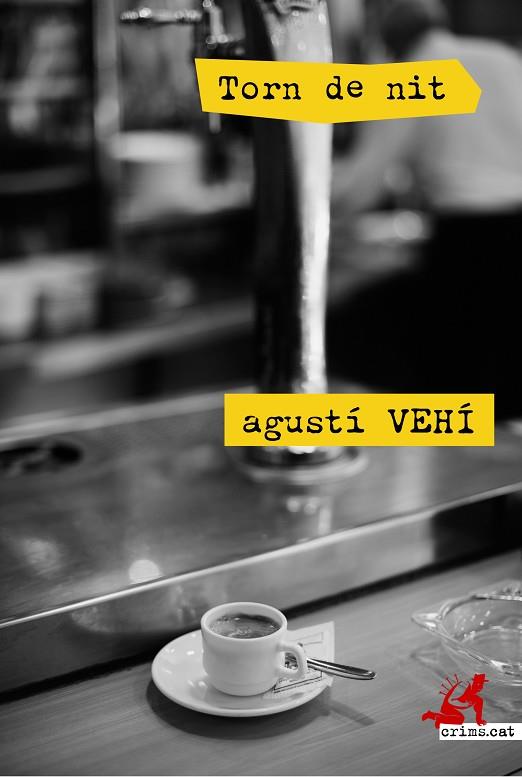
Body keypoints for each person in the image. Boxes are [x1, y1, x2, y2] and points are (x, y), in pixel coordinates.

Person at [329, 0, 522, 416]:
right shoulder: (501, 57)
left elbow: (360, 188)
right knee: (508, 369)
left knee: (459, 373)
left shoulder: (415, 77)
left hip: (473, 243)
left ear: (388, 40)